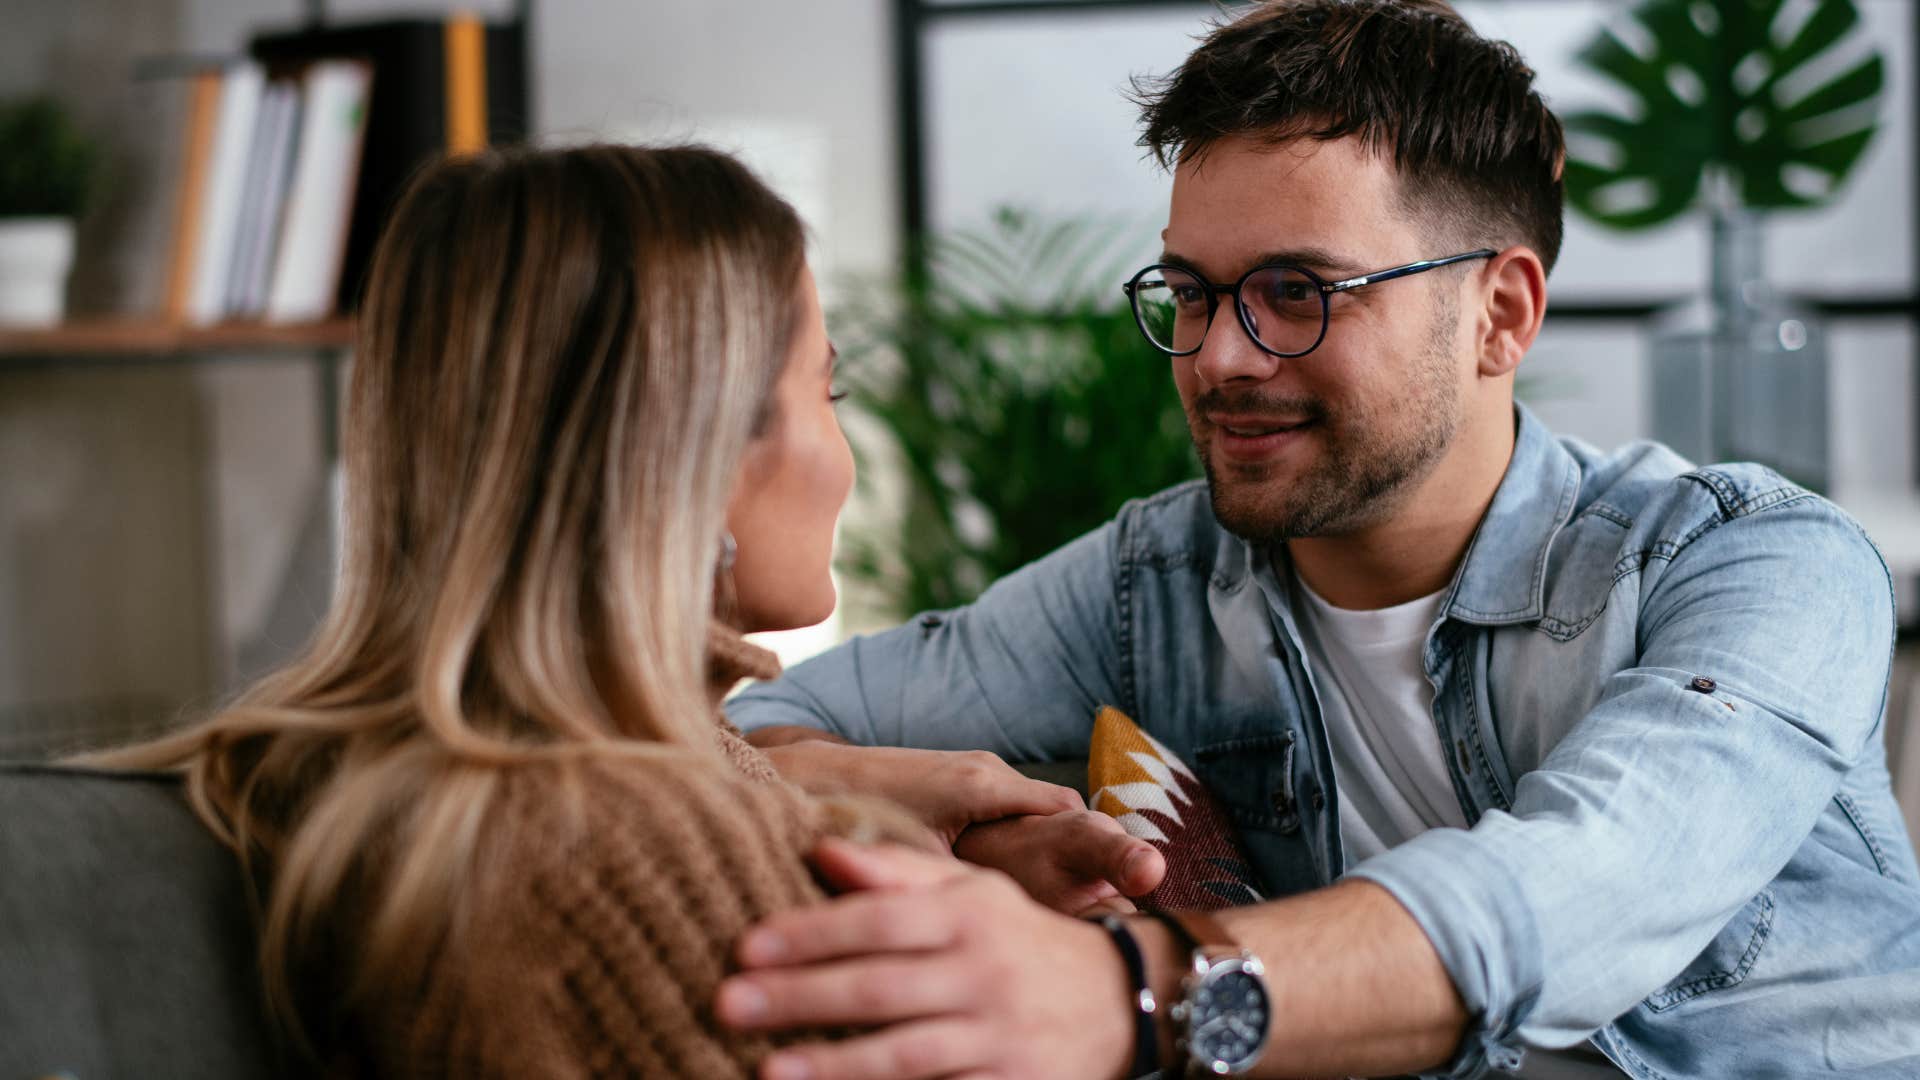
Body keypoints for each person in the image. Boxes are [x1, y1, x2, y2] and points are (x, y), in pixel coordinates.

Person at [723, 2, 1920, 1077]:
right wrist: (963, 823)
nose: (1222, 357)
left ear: (1498, 315)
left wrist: (1133, 995)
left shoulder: (1755, 564)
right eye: (1192, 293)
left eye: (1299, 289)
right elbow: (740, 736)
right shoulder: (1157, 584)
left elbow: (1563, 896)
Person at [94, 143, 1091, 1077]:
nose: (845, 457)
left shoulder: (416, 773)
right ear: (696, 456)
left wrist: (860, 828)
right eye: (825, 390)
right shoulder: (617, 858)